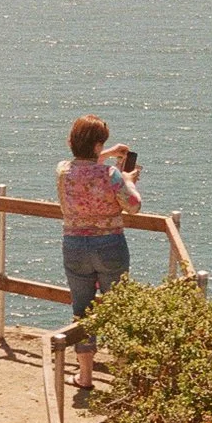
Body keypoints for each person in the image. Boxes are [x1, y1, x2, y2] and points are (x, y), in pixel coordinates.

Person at [56, 114, 142, 389]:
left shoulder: (63, 171)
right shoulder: (112, 175)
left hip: (74, 247)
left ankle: (85, 376)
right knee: (118, 307)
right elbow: (134, 206)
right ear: (96, 145)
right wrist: (128, 179)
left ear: (71, 142)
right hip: (109, 245)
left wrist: (107, 152)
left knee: (82, 311)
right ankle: (125, 374)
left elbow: (82, 163)